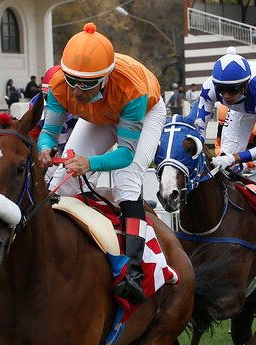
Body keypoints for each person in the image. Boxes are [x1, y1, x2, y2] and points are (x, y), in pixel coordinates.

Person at [37, 23, 167, 304]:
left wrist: (90, 163)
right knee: (62, 175)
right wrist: (45, 149)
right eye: (72, 81)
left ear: (105, 78)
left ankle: (132, 273)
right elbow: (48, 133)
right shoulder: (60, 85)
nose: (78, 91)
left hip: (143, 113)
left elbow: (125, 155)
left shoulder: (130, 87)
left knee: (126, 181)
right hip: (100, 114)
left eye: (86, 84)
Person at [193, 46, 256, 251]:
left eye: (232, 90)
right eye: (221, 90)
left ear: (245, 85)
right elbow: (198, 132)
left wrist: (234, 159)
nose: (226, 96)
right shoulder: (209, 88)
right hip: (244, 106)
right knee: (223, 159)